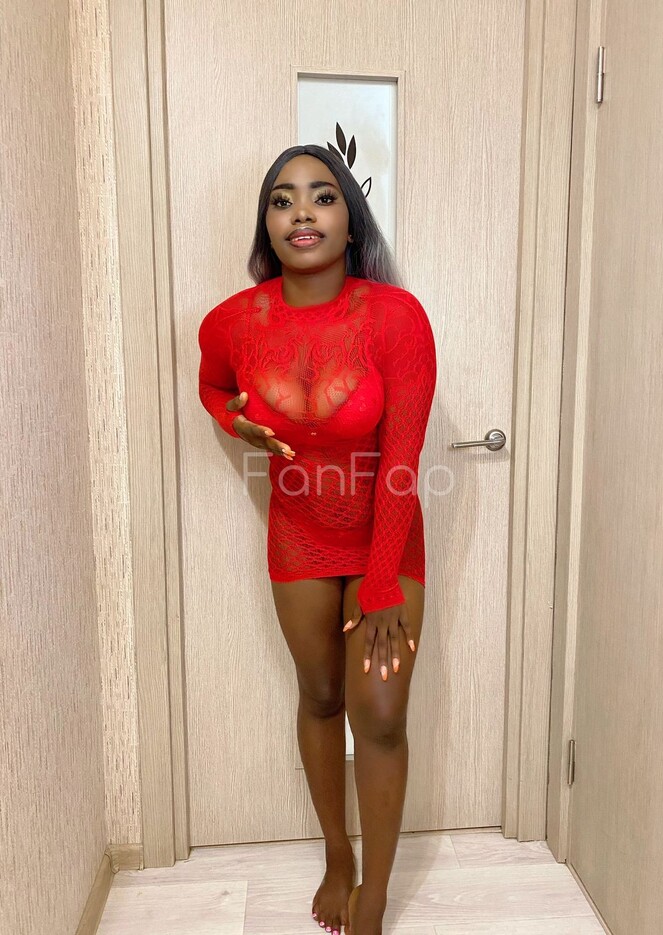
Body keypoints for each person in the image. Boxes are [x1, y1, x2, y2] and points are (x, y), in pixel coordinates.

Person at [198, 143, 437, 935]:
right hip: (298, 538)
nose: (302, 211)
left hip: (386, 539)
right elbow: (212, 382)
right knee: (322, 696)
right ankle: (339, 854)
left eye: (323, 196)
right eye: (283, 199)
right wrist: (232, 419)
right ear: (267, 224)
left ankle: (375, 900)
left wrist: (381, 580)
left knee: (381, 714)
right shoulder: (232, 321)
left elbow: (402, 459)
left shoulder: (396, 317)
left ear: (351, 219)